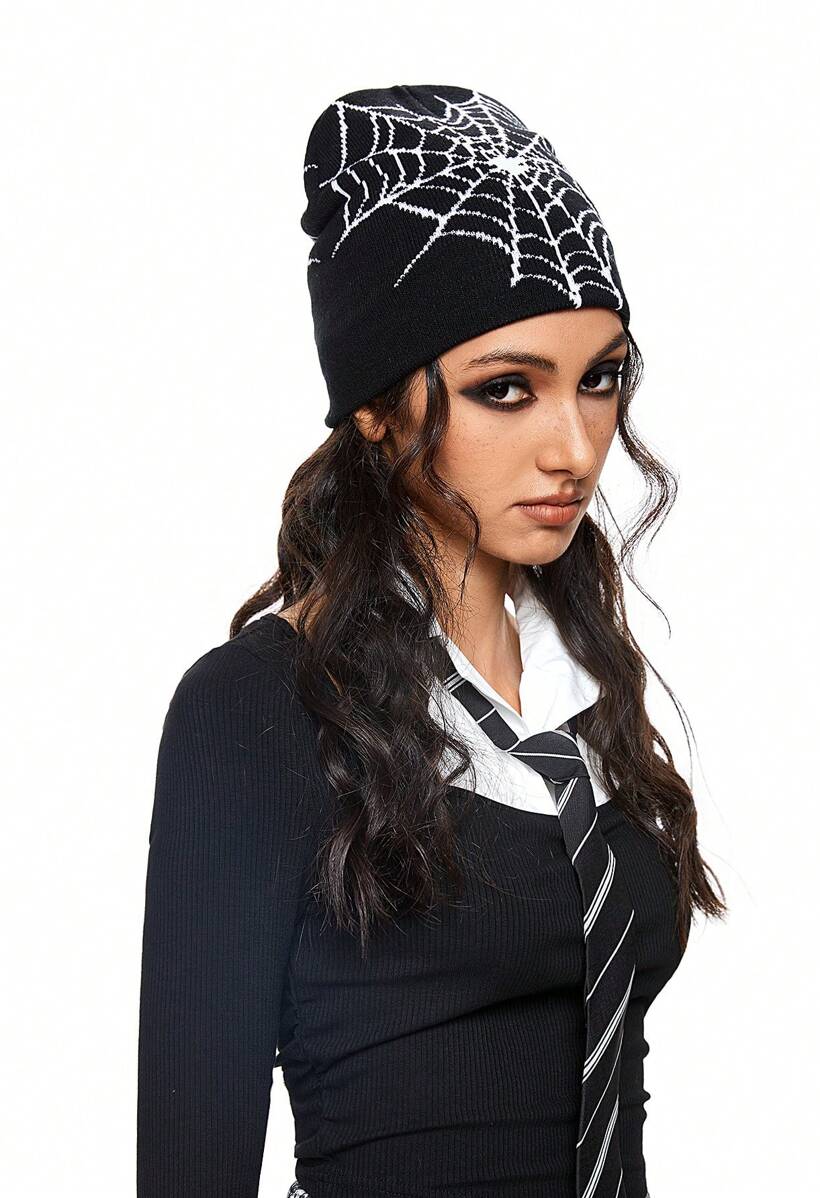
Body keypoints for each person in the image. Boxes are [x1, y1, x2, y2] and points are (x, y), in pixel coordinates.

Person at [136, 83, 726, 1198]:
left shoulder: (581, 683)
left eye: (601, 379)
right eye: (506, 389)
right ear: (375, 406)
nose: (575, 448)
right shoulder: (259, 707)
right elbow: (189, 1160)